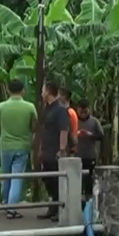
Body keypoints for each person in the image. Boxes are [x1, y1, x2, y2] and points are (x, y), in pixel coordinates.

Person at [0, 79, 37, 220]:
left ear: (9, 91)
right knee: (17, 176)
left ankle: (5, 202)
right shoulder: (30, 107)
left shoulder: (1, 107)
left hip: (5, 145)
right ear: (23, 90)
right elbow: (34, 127)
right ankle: (11, 208)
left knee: (6, 174)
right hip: (23, 146)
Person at [37, 80, 71, 222]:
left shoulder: (60, 110)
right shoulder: (47, 109)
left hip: (55, 151)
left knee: (57, 181)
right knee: (48, 180)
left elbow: (64, 130)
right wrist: (40, 149)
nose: (41, 94)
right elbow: (44, 130)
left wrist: (62, 149)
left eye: (43, 91)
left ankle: (59, 208)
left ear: (49, 92)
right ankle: (52, 207)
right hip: (46, 150)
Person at [75, 101, 103, 205]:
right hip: (76, 155)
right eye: (81, 110)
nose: (83, 112)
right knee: (76, 179)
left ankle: (89, 202)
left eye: (85, 110)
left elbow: (101, 136)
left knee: (89, 180)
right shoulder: (73, 120)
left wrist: (90, 135)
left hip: (90, 155)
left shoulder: (94, 121)